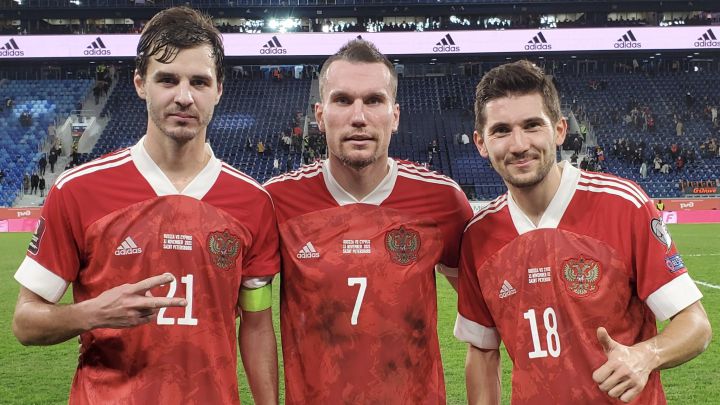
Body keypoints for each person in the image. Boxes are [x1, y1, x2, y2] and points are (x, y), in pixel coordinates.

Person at [12, 7, 280, 405]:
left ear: (219, 90)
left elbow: (256, 325)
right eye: (167, 79)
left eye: (200, 82)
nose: (184, 97)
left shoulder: (253, 202)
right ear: (140, 83)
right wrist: (92, 312)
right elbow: (25, 322)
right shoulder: (78, 190)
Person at [454, 60, 711, 404]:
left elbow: (695, 324)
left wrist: (646, 355)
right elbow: (483, 351)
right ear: (481, 143)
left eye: (532, 125)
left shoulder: (624, 205)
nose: (518, 144)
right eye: (501, 130)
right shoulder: (478, 237)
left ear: (559, 130)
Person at [264, 39, 473, 404]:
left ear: (395, 115)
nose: (358, 117)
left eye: (374, 100)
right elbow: (228, 308)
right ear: (319, 115)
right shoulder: (276, 201)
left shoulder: (442, 201)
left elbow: (491, 308)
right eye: (343, 100)